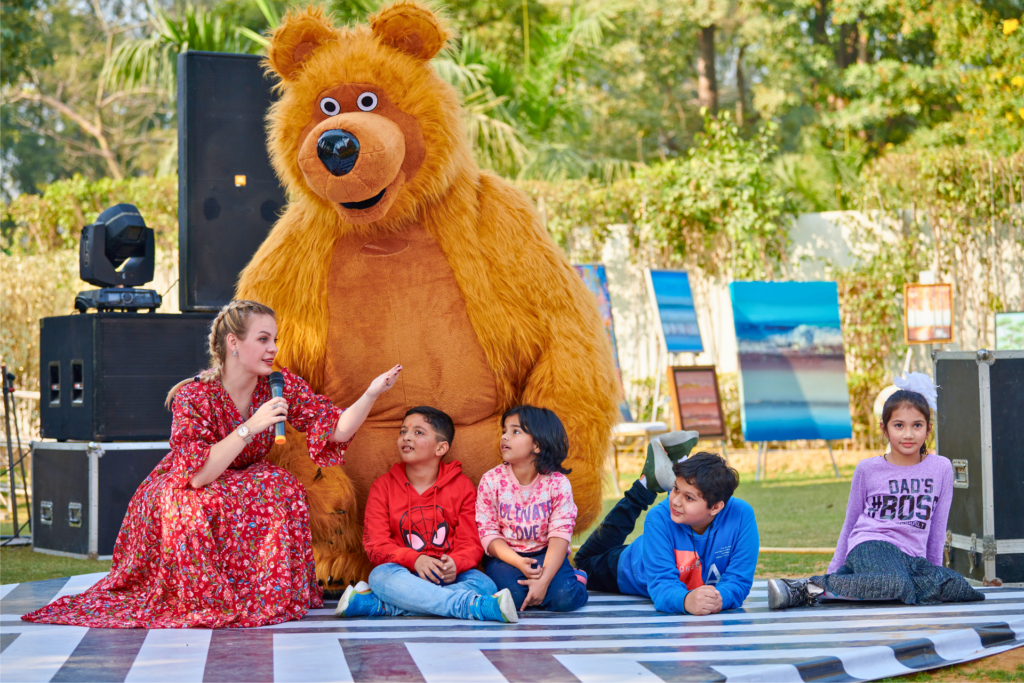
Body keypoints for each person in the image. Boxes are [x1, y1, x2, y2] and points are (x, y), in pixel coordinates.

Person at [22, 300, 401, 628]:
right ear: (233, 343)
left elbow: (334, 429)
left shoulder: (279, 385)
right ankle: (205, 595)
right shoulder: (194, 396)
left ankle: (263, 593)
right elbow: (200, 474)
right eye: (263, 339)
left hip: (239, 477)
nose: (273, 348)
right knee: (190, 503)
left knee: (280, 485)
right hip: (190, 481)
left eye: (275, 339)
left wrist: (371, 392)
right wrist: (251, 427)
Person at [768, 372, 984, 610]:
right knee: (893, 583)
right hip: (872, 545)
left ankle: (867, 586)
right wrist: (835, 568)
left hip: (912, 558)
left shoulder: (940, 467)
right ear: (885, 429)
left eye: (917, 425)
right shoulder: (868, 469)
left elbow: (937, 526)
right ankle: (807, 587)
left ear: (928, 428)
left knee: (957, 586)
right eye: (899, 425)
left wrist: (934, 570)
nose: (908, 434)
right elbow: (850, 522)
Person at [336, 407, 518, 623]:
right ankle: (469, 605)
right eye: (403, 431)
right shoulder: (382, 486)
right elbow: (376, 546)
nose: (407, 437)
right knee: (379, 577)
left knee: (485, 583)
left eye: (418, 432)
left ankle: (384, 606)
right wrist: (415, 560)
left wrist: (455, 564)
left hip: (449, 577)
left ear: (441, 447)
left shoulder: (463, 486)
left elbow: (471, 543)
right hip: (403, 575)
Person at [575, 432, 759, 615]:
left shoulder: (742, 515)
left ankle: (678, 461)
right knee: (581, 563)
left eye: (688, 497)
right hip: (624, 567)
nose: (675, 501)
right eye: (675, 488)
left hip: (655, 551)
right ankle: (645, 485)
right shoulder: (660, 518)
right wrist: (686, 601)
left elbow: (738, 580)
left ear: (716, 507)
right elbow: (661, 585)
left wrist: (720, 598)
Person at [475, 406, 588, 612]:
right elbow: (488, 533)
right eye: (504, 431)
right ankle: (542, 588)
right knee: (514, 598)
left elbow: (559, 535)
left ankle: (578, 579)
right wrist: (518, 561)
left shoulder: (557, 484)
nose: (505, 437)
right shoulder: (491, 481)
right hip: (507, 556)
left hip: (547, 553)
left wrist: (543, 581)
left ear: (537, 444)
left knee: (564, 598)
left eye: (515, 431)